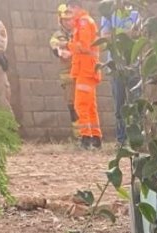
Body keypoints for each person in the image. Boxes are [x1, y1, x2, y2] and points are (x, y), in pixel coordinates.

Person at [57, 3, 102, 149]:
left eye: (71, 10)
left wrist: (68, 46)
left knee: (80, 105)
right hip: (87, 69)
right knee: (90, 106)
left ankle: (86, 138)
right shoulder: (85, 21)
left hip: (86, 70)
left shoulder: (83, 22)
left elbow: (83, 46)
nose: (70, 14)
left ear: (76, 7)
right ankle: (95, 137)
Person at [99, 4, 139, 146]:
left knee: (137, 104)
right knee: (119, 105)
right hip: (115, 65)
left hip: (135, 64)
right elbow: (105, 37)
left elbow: (141, 34)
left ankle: (137, 140)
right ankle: (121, 140)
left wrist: (118, 36)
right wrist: (128, 34)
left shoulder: (137, 11)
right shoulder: (108, 12)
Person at [49, 15, 76, 130]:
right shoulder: (57, 35)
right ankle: (78, 135)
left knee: (84, 104)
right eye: (66, 20)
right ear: (61, 21)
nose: (68, 22)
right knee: (72, 105)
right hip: (67, 74)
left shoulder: (79, 31)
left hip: (81, 72)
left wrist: (69, 46)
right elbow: (54, 46)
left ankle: (88, 134)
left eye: (70, 19)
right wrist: (63, 49)